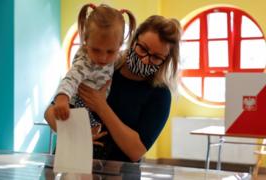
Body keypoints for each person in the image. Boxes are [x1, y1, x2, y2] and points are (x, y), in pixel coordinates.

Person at [46, 14, 181, 162]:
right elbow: (50, 113)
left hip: (119, 173)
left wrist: (101, 107)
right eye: (143, 48)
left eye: (156, 57)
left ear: (166, 61)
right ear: (133, 40)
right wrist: (77, 134)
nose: (145, 59)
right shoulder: (103, 67)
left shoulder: (160, 94)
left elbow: (136, 151)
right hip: (72, 164)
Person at [45, 4, 136, 153]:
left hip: (92, 108)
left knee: (90, 137)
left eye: (110, 51)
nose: (103, 57)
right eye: (96, 50)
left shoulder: (117, 57)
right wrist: (62, 98)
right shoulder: (85, 61)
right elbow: (71, 79)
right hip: (76, 104)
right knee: (80, 146)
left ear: (119, 46)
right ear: (86, 41)